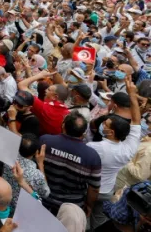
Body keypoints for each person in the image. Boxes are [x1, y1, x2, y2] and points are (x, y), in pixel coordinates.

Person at [86, 79, 142, 229]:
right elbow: (136, 120)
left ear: (110, 132)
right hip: (107, 191)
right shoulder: (128, 149)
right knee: (98, 221)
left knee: (84, 215)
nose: (103, 123)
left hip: (89, 189)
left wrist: (132, 95)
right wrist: (133, 96)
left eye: (105, 124)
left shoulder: (94, 147)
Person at [40, 111, 102, 215]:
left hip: (44, 199)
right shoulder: (92, 156)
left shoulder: (45, 141)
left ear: (63, 126)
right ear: (83, 134)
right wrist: (89, 205)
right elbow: (94, 189)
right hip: (72, 208)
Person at [1, 134, 49, 210]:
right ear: (35, 152)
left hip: (4, 204)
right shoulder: (37, 174)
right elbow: (46, 193)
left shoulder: (7, 159)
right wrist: (40, 164)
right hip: (22, 210)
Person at [17, 71, 70, 135]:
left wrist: (40, 75)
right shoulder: (67, 111)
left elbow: (21, 85)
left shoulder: (45, 108)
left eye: (49, 90)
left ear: (55, 97)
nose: (45, 90)